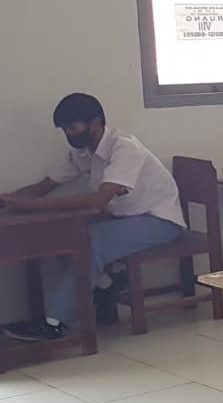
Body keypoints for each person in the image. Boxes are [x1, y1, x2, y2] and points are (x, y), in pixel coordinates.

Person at [2, 94, 185, 342]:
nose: (69, 134)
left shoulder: (125, 148)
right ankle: (107, 286)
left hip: (159, 221)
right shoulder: (82, 151)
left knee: (88, 242)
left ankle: (56, 323)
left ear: (95, 123)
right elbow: (45, 185)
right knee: (61, 233)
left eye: (73, 128)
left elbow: (97, 201)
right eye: (65, 130)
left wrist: (35, 205)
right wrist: (9, 200)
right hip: (124, 218)